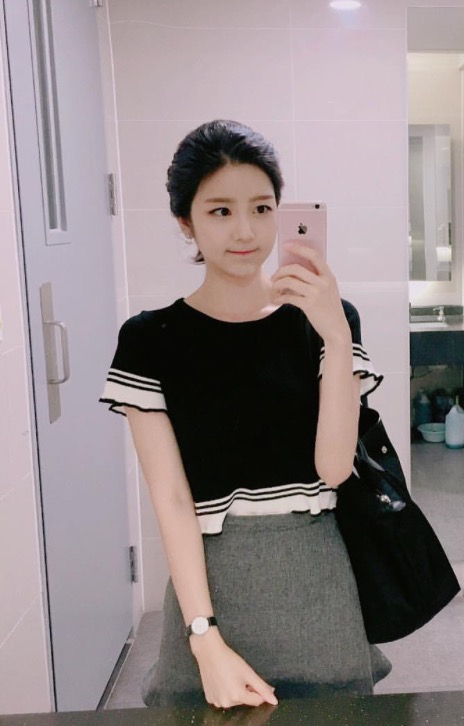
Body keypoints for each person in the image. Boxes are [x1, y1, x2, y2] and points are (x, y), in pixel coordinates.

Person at [100, 120, 391, 708]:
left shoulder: (327, 322)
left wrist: (336, 335)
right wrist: (204, 637)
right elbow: (172, 500)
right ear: (186, 221)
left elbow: (334, 468)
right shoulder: (150, 339)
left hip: (317, 576)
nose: (245, 231)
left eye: (261, 208)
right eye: (221, 211)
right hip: (211, 588)